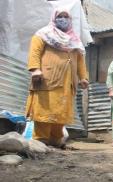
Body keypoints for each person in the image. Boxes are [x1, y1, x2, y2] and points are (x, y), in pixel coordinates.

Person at [25, 8, 89, 148]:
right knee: (44, 109)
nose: (63, 19)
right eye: (60, 16)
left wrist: (83, 77)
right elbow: (34, 52)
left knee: (61, 111)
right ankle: (41, 140)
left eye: (66, 17)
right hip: (47, 79)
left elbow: (80, 60)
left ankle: (56, 140)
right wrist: (35, 69)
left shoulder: (74, 40)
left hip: (67, 82)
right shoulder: (43, 34)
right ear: (54, 18)